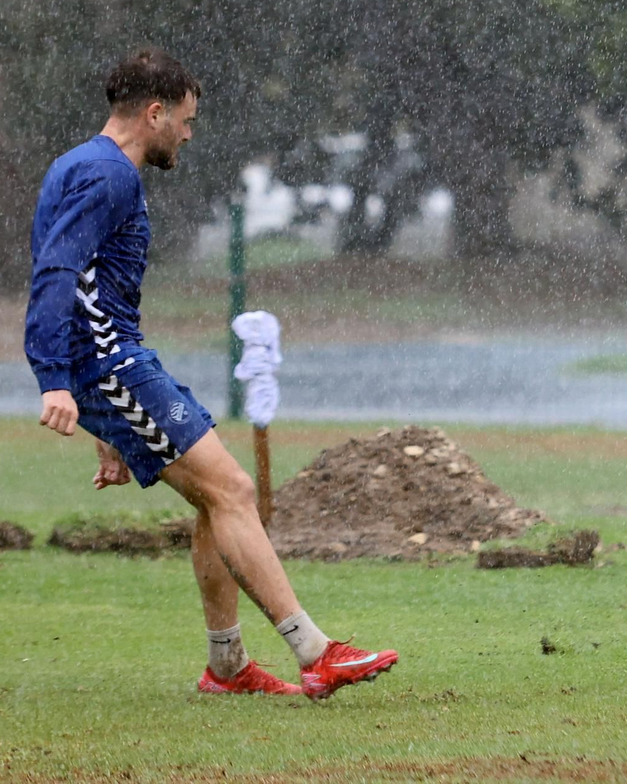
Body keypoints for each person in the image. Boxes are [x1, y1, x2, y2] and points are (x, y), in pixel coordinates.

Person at [25, 47, 398, 699]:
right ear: (154, 112)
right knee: (232, 491)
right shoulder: (109, 175)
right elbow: (55, 272)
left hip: (111, 365)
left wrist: (102, 416)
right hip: (111, 360)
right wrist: (58, 378)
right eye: (186, 120)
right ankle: (315, 653)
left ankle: (227, 668)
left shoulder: (75, 164)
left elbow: (79, 279)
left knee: (214, 500)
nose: (189, 134)